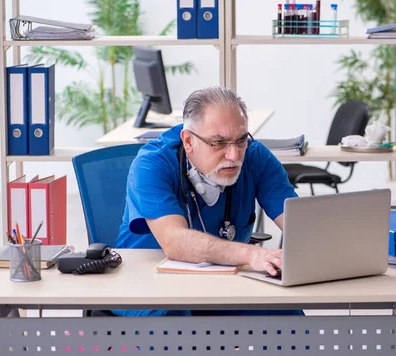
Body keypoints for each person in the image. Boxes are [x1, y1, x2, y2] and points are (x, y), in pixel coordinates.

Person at [113, 86, 301, 317]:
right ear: (189, 141)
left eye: (241, 140)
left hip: (225, 280)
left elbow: (299, 225)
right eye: (219, 143)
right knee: (181, 330)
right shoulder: (152, 164)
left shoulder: (255, 157)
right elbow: (176, 243)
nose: (234, 155)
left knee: (285, 314)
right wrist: (252, 254)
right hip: (151, 286)